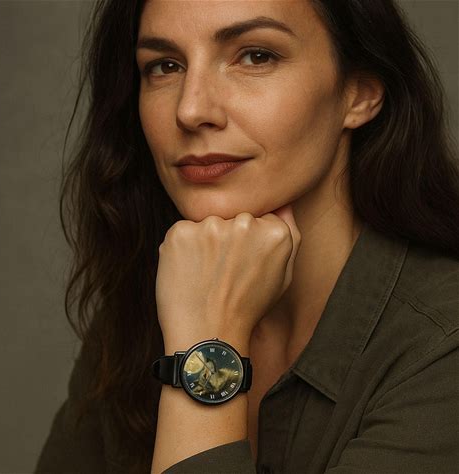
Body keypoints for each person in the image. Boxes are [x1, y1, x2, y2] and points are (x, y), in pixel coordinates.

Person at [35, 0, 459, 473]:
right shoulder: (152, 306)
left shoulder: (443, 343)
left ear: (359, 93)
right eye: (165, 66)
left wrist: (205, 347)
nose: (191, 110)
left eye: (256, 56)